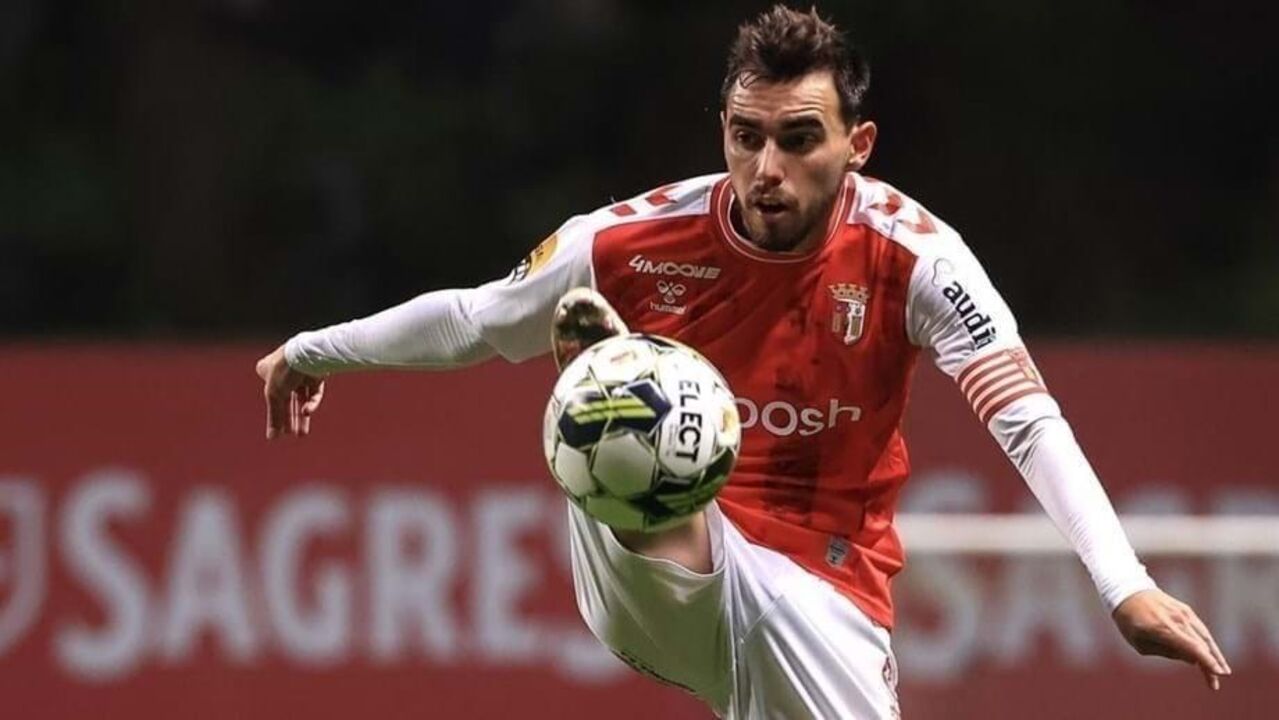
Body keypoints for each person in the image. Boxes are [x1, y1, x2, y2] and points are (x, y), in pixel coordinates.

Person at [255, 6, 1230, 718]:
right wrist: (313, 350)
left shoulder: (916, 257)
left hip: (822, 584)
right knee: (650, 428)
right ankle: (612, 401)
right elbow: (472, 320)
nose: (766, 169)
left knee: (766, 605)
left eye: (798, 141)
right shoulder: (627, 242)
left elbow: (1024, 417)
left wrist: (1123, 584)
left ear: (857, 145)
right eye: (744, 136)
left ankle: (622, 403)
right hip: (651, 551)